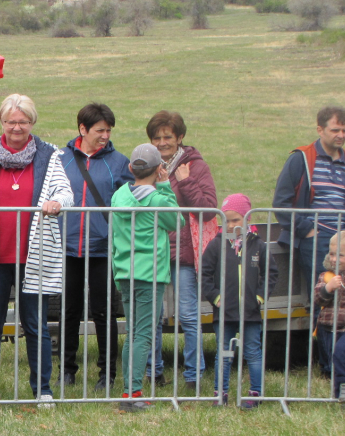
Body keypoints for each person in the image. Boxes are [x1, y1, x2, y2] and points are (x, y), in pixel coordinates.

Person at [0, 94, 73, 405]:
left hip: (34, 258)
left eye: (23, 121)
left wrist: (57, 203)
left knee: (36, 326)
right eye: (11, 121)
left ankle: (43, 391)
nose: (16, 127)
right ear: (2, 122)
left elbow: (66, 192)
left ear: (32, 123)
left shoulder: (50, 156)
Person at [273, 106, 345, 375]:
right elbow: (281, 201)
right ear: (319, 129)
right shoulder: (301, 158)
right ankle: (327, 366)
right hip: (318, 241)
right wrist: (305, 230)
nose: (341, 135)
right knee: (324, 301)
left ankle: (344, 363)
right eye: (335, 129)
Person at [58, 102, 132, 392]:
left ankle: (107, 374)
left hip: (102, 249)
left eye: (109, 130)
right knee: (69, 311)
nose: (105, 135)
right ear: (82, 129)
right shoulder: (60, 159)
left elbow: (132, 197)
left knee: (104, 312)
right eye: (100, 130)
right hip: (66, 248)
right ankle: (66, 370)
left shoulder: (119, 163)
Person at [145, 110, 218, 390]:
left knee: (188, 314)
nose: (162, 142)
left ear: (180, 138)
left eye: (168, 137)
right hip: (154, 250)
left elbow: (209, 209)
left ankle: (193, 375)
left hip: (184, 252)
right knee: (151, 315)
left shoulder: (195, 165)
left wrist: (185, 181)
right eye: (156, 138)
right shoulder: (147, 164)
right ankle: (154, 372)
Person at [110, 144, 181, 412]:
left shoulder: (119, 196)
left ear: (131, 168)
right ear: (159, 169)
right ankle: (133, 393)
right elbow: (177, 223)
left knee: (134, 333)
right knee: (143, 334)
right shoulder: (158, 199)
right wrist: (165, 186)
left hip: (126, 271)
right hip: (150, 274)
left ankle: (131, 390)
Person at [200, 194, 279, 409]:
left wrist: (260, 297)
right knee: (223, 354)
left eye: (236, 220)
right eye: (226, 220)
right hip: (223, 312)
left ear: (247, 219)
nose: (231, 225)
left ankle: (255, 393)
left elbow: (271, 273)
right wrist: (215, 297)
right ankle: (220, 394)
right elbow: (204, 275)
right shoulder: (216, 245)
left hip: (250, 312)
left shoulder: (258, 245)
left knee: (253, 351)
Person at [313, 229, 345, 406]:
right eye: (331, 254)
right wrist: (328, 288)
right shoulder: (326, 276)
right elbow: (317, 299)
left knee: (342, 351)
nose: (333, 259)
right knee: (335, 359)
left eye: (340, 255)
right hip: (328, 326)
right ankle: (341, 396)